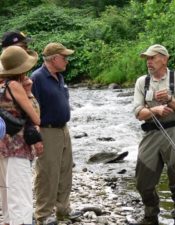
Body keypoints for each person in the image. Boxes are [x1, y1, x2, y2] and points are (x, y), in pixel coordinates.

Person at [133, 44, 175, 225]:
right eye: (147, 59)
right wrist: (155, 110)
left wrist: (170, 99)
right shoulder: (142, 82)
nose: (148, 62)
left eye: (152, 58)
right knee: (143, 182)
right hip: (150, 133)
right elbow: (137, 113)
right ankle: (151, 215)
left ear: (164, 59)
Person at [31, 42, 81, 225]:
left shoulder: (59, 76)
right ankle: (43, 214)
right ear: (53, 59)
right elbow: (31, 109)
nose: (67, 60)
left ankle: (63, 210)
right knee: (47, 173)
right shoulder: (37, 78)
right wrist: (36, 137)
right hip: (47, 130)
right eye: (64, 57)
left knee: (65, 171)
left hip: (63, 129)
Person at [0, 46, 42, 225]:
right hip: (18, 147)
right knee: (21, 195)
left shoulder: (1, 85)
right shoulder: (15, 86)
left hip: (2, 144)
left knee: (7, 194)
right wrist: (29, 92)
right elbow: (36, 117)